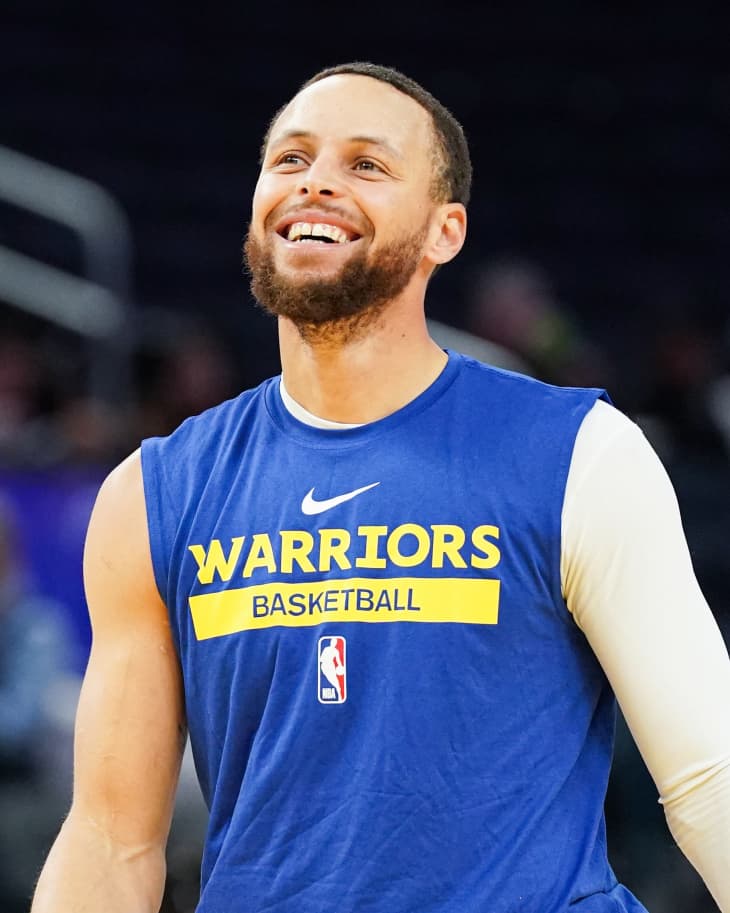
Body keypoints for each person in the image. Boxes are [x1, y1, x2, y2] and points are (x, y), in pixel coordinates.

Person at [31, 62, 730, 913]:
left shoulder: (579, 452)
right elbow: (112, 838)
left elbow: (710, 775)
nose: (316, 179)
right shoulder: (154, 491)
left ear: (445, 232)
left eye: (367, 164)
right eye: (290, 159)